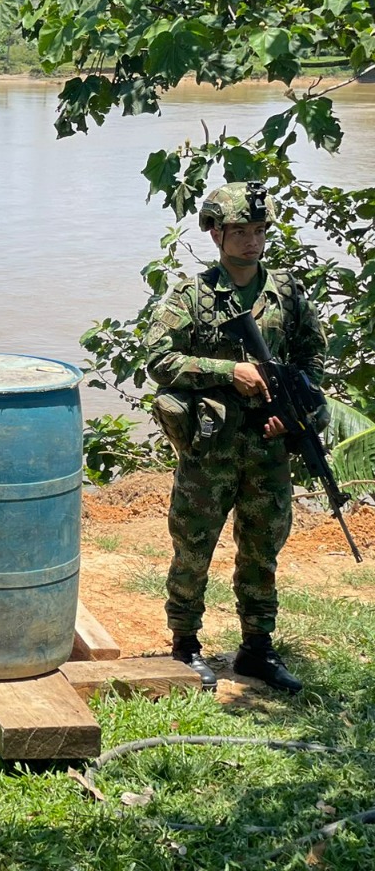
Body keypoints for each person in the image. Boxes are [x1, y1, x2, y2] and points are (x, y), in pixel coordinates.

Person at [144, 181, 326, 694]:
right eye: (240, 232)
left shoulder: (287, 293)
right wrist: (229, 371)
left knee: (262, 551)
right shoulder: (192, 294)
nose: (252, 241)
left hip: (268, 450)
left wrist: (290, 419)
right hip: (210, 450)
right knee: (193, 549)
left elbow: (312, 362)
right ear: (216, 234)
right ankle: (185, 647)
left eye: (259, 231)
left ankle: (256, 649)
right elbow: (159, 360)